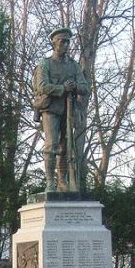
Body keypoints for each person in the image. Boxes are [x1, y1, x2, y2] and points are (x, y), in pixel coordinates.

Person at [33, 28, 88, 192]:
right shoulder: (45, 64)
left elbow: (85, 87)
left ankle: (62, 181)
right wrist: (62, 88)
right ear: (54, 43)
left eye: (68, 42)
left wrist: (75, 86)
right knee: (51, 145)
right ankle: (50, 181)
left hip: (69, 110)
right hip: (51, 108)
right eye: (62, 41)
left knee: (67, 147)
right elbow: (42, 86)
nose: (65, 44)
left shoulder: (73, 66)